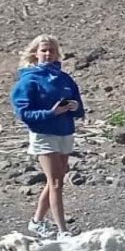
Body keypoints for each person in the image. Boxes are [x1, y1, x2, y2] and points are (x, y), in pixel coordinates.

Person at [11, 34, 85, 238]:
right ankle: (62, 231)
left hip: (65, 132)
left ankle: (37, 221)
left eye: (51, 50)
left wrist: (74, 107)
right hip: (44, 134)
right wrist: (51, 113)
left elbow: (79, 106)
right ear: (35, 53)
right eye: (44, 50)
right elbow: (23, 113)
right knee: (56, 183)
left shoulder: (64, 78)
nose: (48, 54)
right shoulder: (29, 80)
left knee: (56, 179)